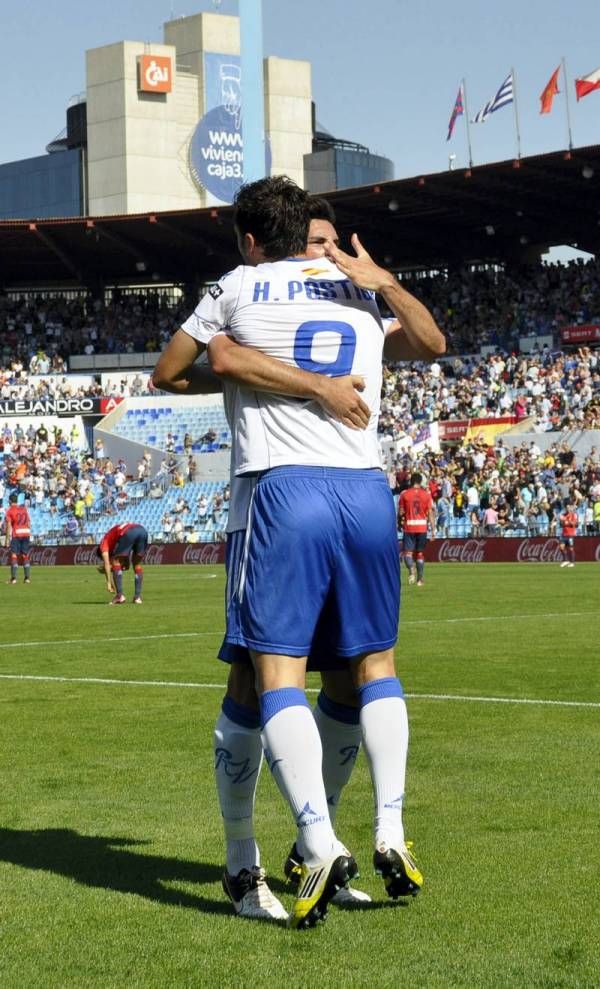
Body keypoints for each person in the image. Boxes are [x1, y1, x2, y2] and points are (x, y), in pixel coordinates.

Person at [154, 177, 444, 929]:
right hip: (367, 493)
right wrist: (378, 283)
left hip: (279, 497)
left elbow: (189, 361)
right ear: (305, 237)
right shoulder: (356, 297)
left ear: (251, 239)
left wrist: (302, 384)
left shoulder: (242, 285)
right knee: (365, 667)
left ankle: (313, 841)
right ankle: (366, 831)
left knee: (264, 673)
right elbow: (434, 342)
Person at [398, 473, 436, 586]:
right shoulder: (426, 495)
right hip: (422, 527)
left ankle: (411, 569)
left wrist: (399, 519)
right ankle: (420, 580)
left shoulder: (404, 494)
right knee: (420, 554)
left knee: (407, 554)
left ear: (411, 481)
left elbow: (400, 512)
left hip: (409, 526)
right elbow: (430, 513)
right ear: (420, 482)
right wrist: (433, 530)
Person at [96, 522, 148, 604]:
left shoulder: (103, 543)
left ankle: (119, 596)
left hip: (129, 532)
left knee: (115, 561)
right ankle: (137, 598)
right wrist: (119, 567)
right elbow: (126, 564)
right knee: (137, 564)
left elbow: (107, 563)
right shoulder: (114, 539)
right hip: (142, 530)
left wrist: (109, 583)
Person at [4, 493, 32, 584]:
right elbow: (29, 523)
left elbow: (8, 525)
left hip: (17, 534)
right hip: (26, 533)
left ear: (10, 501)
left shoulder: (10, 511)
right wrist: (27, 532)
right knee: (25, 555)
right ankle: (27, 578)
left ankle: (14, 579)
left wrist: (7, 539)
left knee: (14, 555)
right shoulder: (24, 509)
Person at [558, 503, 578, 568]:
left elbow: (575, 524)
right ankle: (566, 560)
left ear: (571, 508)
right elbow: (561, 524)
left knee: (571, 548)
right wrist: (565, 521)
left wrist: (568, 521)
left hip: (571, 534)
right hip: (564, 534)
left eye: (569, 508)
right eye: (567, 508)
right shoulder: (563, 515)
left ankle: (573, 562)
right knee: (561, 547)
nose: (568, 509)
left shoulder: (574, 515)